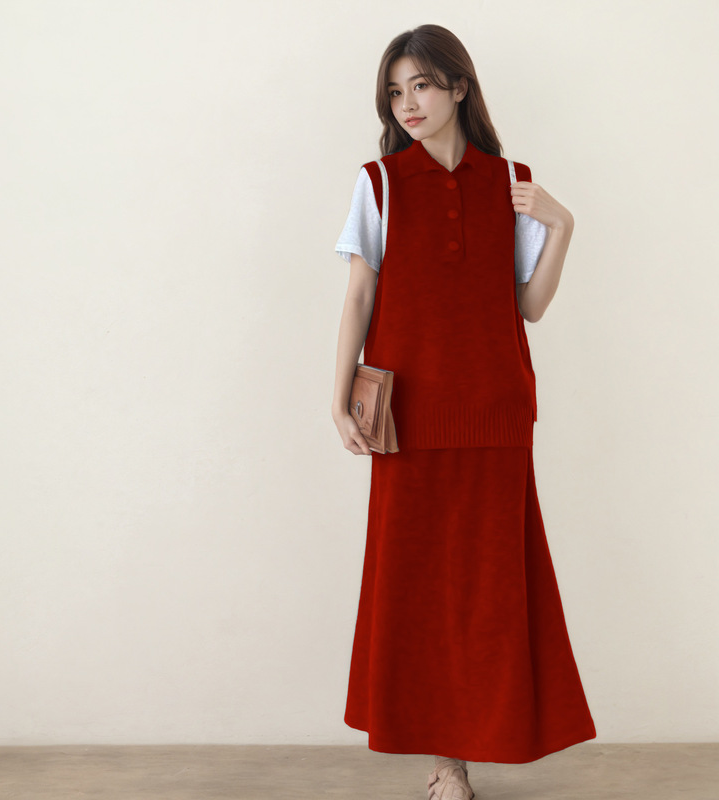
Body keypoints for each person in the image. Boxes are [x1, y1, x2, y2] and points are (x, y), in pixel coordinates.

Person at [330, 24, 597, 800]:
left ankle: (477, 746)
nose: (407, 104)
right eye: (395, 91)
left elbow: (529, 306)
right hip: (407, 422)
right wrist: (338, 398)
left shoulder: (511, 182)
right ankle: (446, 761)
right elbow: (358, 296)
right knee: (418, 594)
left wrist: (562, 224)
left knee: (490, 596)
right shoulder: (380, 184)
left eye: (420, 85)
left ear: (458, 87)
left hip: (496, 416)